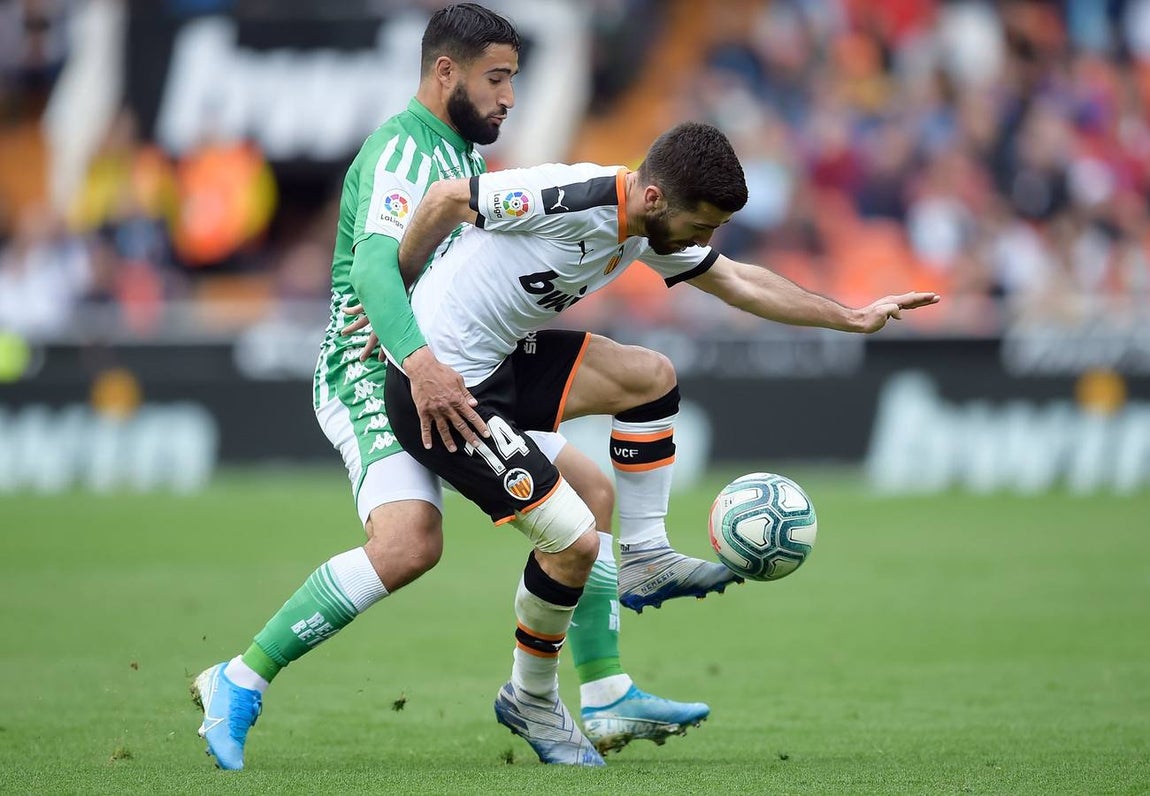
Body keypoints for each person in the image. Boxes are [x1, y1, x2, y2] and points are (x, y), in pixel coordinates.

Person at [191, 3, 718, 772]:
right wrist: (418, 361)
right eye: (498, 78)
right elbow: (374, 268)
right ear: (447, 72)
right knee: (410, 544)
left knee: (594, 496)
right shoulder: (406, 153)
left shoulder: (457, 159)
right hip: (378, 370)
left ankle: (604, 694)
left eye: (513, 80)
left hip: (460, 369)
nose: (509, 98)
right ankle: (237, 681)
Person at [382, 120, 941, 766]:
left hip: (499, 362)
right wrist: (397, 322)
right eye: (701, 227)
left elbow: (739, 282)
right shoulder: (572, 197)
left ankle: (644, 558)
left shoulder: (647, 225)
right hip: (440, 388)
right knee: (574, 539)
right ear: (655, 200)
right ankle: (529, 696)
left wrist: (851, 316)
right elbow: (447, 199)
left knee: (649, 382)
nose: (705, 242)